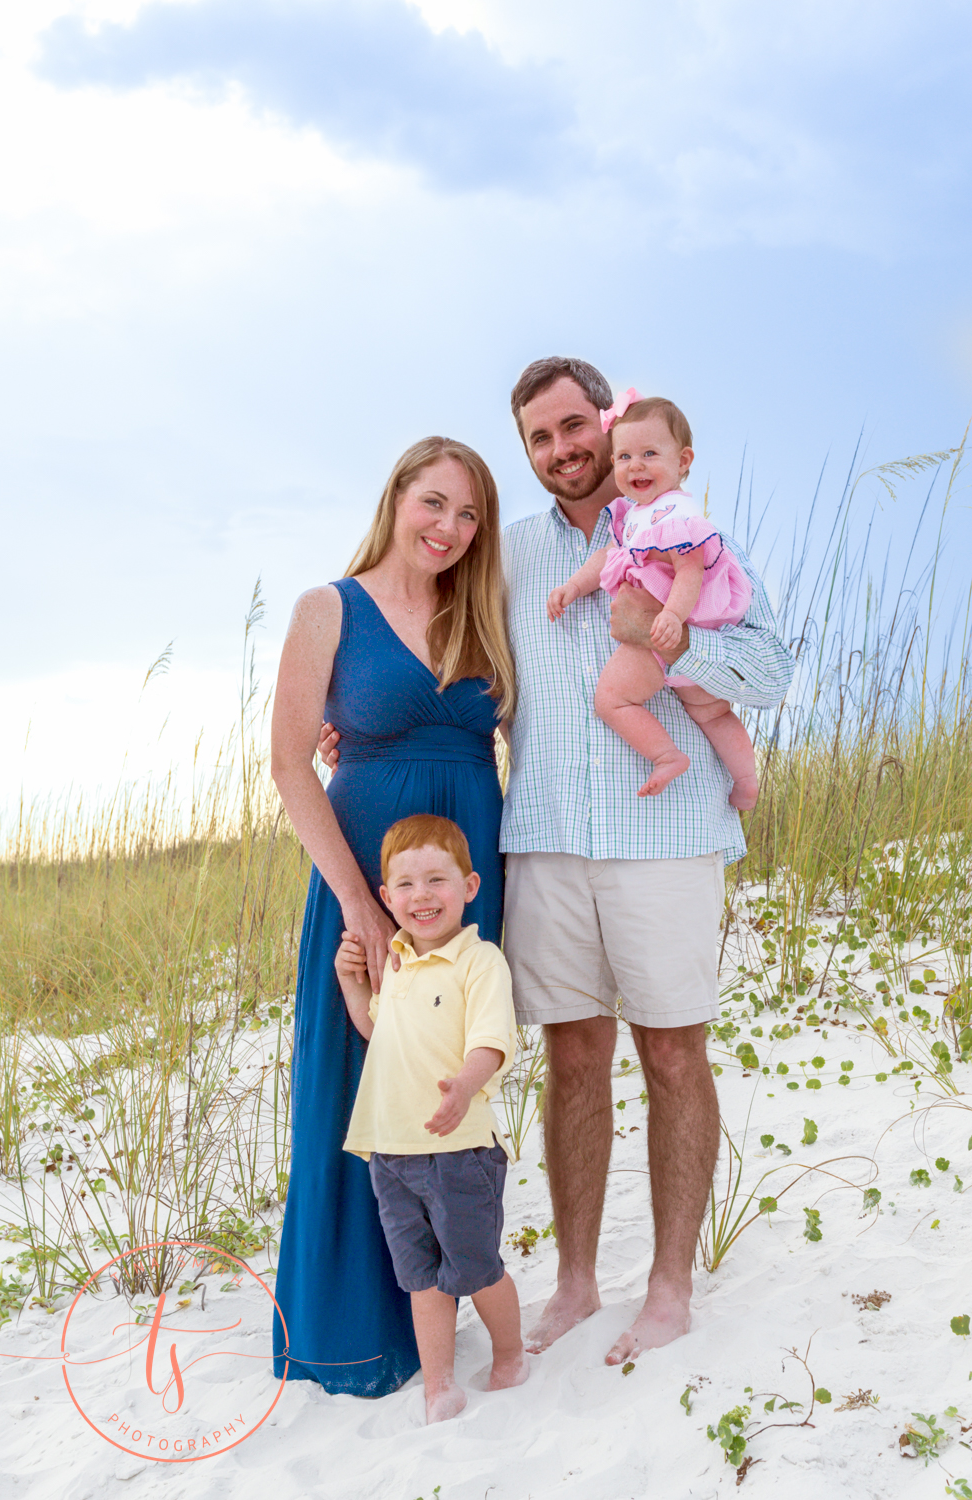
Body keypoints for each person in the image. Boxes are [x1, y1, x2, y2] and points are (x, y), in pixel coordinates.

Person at [502, 357, 794, 1366]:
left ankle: (667, 1286)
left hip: (664, 839)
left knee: (671, 1053)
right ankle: (576, 1283)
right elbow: (460, 677)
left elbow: (770, 669)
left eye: (573, 426)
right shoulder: (506, 559)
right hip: (542, 838)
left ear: (610, 421)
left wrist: (662, 645)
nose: (563, 450)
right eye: (539, 438)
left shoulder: (682, 525)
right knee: (571, 1058)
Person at [270, 436, 515, 1396]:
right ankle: (355, 1332)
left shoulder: (478, 611)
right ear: (396, 497)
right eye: (434, 504)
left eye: (468, 516)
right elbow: (292, 761)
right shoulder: (327, 607)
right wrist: (357, 904)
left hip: (465, 882)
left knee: (451, 1082)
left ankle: (456, 1298)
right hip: (369, 878)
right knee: (355, 1089)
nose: (448, 529)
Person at [336, 814, 526, 1424]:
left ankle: (511, 1353)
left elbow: (493, 1040)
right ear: (386, 898)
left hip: (461, 1148)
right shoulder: (393, 964)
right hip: (391, 1153)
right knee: (420, 1276)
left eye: (437, 881)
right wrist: (351, 984)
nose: (423, 897)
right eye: (407, 886)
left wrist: (465, 1086)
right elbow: (377, 1033)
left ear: (469, 886)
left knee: (475, 1266)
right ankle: (437, 1384)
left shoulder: (479, 961)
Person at [547, 391, 758, 808]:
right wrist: (572, 587)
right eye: (624, 457)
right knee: (713, 713)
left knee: (611, 699)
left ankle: (666, 756)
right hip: (677, 633)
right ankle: (746, 781)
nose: (635, 465)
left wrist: (674, 619)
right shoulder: (636, 515)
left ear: (682, 462)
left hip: (660, 632)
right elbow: (609, 557)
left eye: (649, 453)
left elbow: (690, 569)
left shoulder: (675, 516)